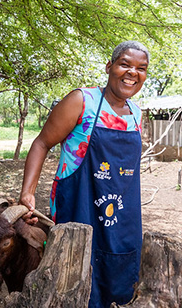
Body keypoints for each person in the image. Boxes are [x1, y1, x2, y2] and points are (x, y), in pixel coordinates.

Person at [19, 41, 149, 308]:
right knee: (71, 278)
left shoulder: (137, 114)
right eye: (125, 64)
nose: (132, 72)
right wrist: (27, 194)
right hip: (78, 207)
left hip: (122, 218)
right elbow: (42, 143)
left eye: (141, 68)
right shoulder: (82, 101)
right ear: (109, 66)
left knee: (119, 281)